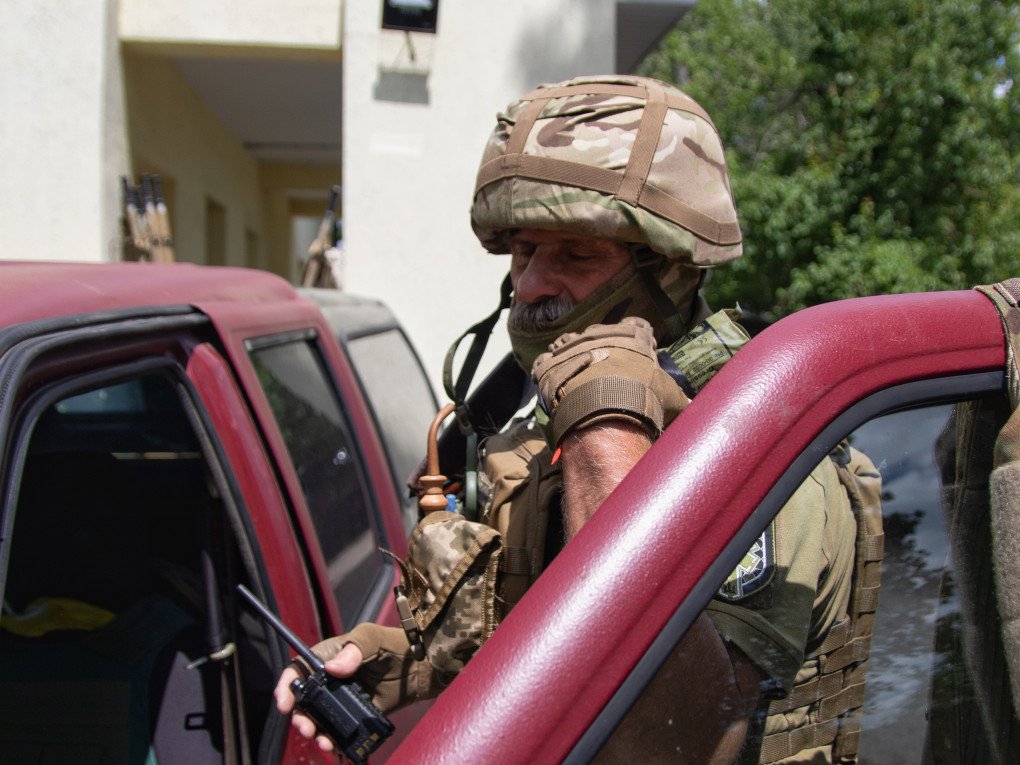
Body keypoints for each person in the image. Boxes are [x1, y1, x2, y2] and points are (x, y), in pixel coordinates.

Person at [275, 75, 873, 763]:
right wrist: (406, 665)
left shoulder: (762, 458)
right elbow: (545, 632)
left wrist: (604, 428)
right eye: (525, 252)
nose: (529, 285)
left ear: (672, 269)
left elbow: (679, 740)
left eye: (577, 253)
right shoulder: (547, 419)